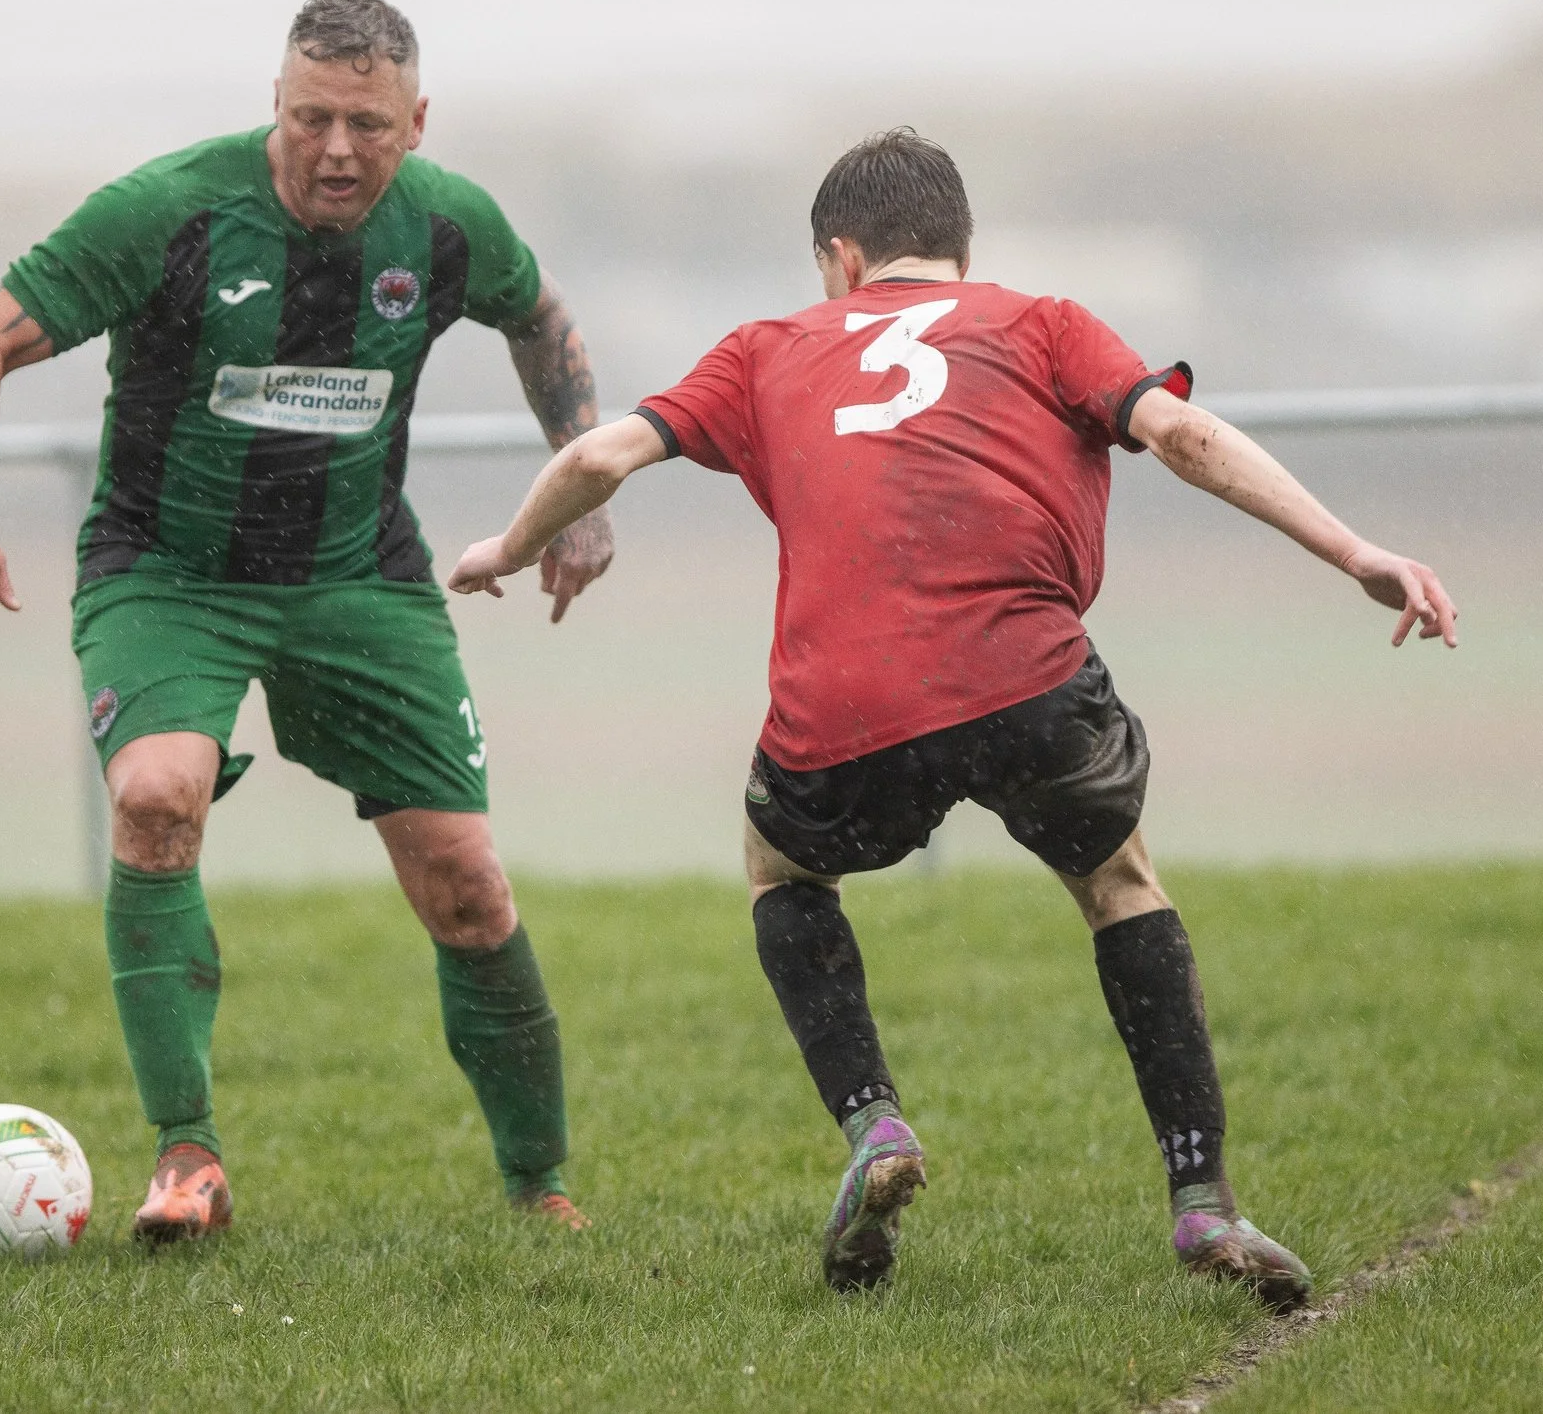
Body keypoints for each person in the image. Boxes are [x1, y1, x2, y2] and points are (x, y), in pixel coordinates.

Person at [448, 128, 1458, 1299]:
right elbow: (1180, 432)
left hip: (847, 702)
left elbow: (605, 452)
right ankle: (1199, 1201)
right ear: (959, 251)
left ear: (838, 255)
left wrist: (506, 546)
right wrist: (1354, 551)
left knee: (781, 869)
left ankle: (875, 1126)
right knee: (1119, 882)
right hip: (1026, 683)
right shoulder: (1040, 323)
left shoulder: (766, 346)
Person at [0, 0, 611, 1241]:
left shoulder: (449, 224)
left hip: (358, 578)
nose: (335, 149)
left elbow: (541, 315)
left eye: (365, 124)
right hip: (167, 573)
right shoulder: (171, 210)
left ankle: (539, 1187)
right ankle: (188, 1160)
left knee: (466, 884)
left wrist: (581, 490)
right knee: (154, 798)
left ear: (415, 119)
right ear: (274, 105)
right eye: (308, 119)